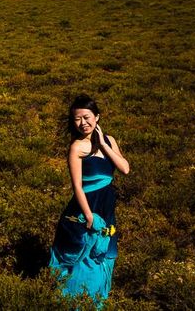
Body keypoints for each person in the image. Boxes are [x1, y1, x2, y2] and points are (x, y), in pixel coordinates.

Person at [49, 94, 130, 309]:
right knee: (84, 253)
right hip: (85, 208)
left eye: (87, 117)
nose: (83, 123)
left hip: (106, 205)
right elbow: (76, 187)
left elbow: (124, 168)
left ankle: (95, 302)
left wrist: (103, 144)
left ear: (97, 117)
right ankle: (75, 303)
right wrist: (88, 216)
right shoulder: (76, 147)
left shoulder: (109, 140)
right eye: (77, 119)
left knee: (102, 252)